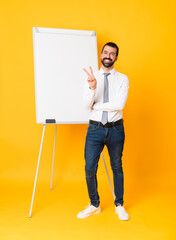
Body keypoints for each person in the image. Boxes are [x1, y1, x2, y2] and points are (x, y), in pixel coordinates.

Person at [77, 42, 129, 220]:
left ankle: (119, 204)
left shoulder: (123, 79)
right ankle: (94, 204)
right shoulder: (92, 78)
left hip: (115, 129)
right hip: (95, 130)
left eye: (112, 53)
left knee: (117, 167)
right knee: (89, 168)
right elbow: (85, 106)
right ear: (101, 54)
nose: (108, 56)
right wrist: (92, 88)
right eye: (105, 52)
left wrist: (96, 105)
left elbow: (119, 105)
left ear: (116, 57)